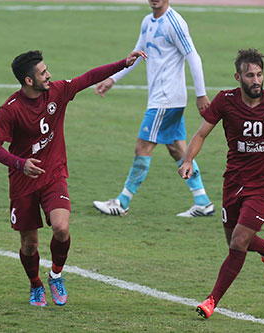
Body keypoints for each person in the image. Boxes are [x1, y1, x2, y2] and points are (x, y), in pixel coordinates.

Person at [0, 50, 147, 307]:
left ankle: (56, 275)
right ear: (29, 81)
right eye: (43, 73)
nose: (49, 75)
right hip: (23, 182)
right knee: (29, 245)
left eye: (47, 69)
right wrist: (21, 163)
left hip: (53, 175)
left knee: (61, 228)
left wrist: (123, 63)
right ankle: (36, 284)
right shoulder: (11, 109)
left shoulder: (57, 92)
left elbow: (88, 77)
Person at [178, 49, 264, 318]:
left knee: (238, 241)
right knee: (236, 243)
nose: (256, 80)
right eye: (250, 75)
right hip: (233, 182)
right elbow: (201, 134)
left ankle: (211, 301)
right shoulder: (225, 101)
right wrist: (188, 159)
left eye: (259, 75)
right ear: (238, 77)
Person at [92, 0, 214, 217]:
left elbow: (193, 56)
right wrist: (112, 79)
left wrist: (201, 93)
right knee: (177, 149)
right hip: (165, 100)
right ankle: (203, 202)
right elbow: (137, 55)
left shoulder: (174, 22)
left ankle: (122, 203)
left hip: (165, 100)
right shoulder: (147, 21)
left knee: (142, 148)